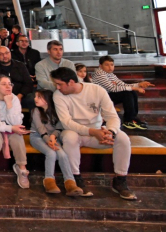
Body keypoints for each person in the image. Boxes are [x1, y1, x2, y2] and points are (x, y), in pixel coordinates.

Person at [50, 67, 137, 200]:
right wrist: (92, 132)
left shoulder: (97, 90)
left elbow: (112, 116)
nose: (57, 87)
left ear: (71, 82)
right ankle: (75, 179)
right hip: (77, 132)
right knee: (69, 137)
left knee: (123, 138)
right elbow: (67, 123)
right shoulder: (58, 95)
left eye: (59, 84)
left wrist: (110, 132)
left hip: (98, 132)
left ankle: (120, 180)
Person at [31, 89, 83, 196]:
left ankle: (70, 182)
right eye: (35, 96)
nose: (35, 99)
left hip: (53, 137)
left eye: (39, 97)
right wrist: (48, 140)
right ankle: (49, 181)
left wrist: (53, 137)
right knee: (51, 153)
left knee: (63, 155)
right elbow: (40, 128)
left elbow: (59, 127)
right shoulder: (36, 111)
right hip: (37, 136)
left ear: (47, 100)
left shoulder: (56, 111)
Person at [91, 56, 152, 130]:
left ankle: (132, 118)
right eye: (107, 65)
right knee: (126, 94)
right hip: (100, 99)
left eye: (112, 65)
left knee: (131, 92)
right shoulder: (100, 74)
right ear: (100, 66)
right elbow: (113, 88)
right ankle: (128, 120)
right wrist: (135, 88)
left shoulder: (110, 74)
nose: (110, 67)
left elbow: (123, 85)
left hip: (107, 95)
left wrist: (139, 84)